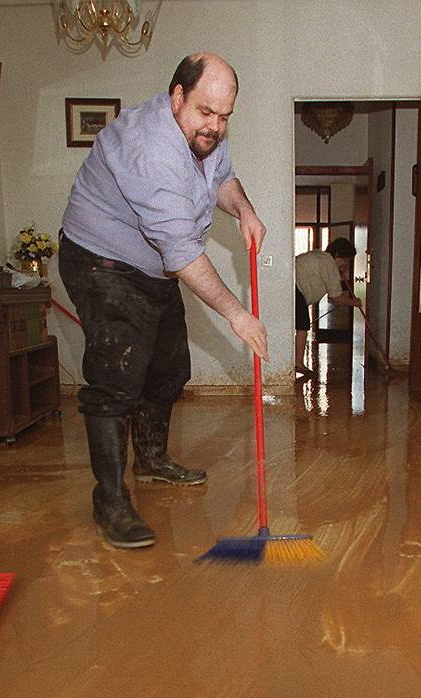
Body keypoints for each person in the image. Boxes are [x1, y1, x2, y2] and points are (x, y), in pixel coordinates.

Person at [58, 52, 266, 550]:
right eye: (205, 113)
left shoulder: (206, 132)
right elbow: (182, 255)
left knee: (170, 370)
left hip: (151, 266)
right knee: (116, 381)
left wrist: (244, 210)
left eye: (224, 116)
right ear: (177, 96)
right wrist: (238, 314)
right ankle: (109, 500)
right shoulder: (148, 149)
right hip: (100, 260)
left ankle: (151, 461)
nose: (215, 126)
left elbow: (222, 178)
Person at [293, 237, 360, 378]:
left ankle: (296, 362)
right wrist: (355, 302)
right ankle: (298, 363)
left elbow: (333, 293)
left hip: (291, 285)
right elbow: (336, 298)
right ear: (336, 255)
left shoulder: (321, 257)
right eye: (345, 260)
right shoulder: (329, 264)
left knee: (301, 325)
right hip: (294, 287)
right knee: (303, 325)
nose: (346, 265)